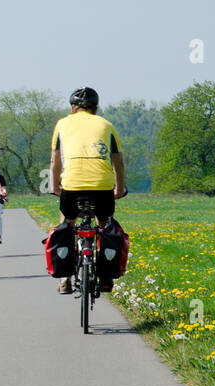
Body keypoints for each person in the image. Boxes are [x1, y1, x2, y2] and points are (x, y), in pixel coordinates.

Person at [49, 87, 127, 293]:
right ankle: (106, 278)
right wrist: (118, 189)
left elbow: (55, 161)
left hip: (72, 186)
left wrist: (54, 186)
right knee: (105, 225)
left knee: (66, 222)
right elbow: (118, 163)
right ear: (96, 108)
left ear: (72, 108)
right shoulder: (107, 125)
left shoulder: (62, 124)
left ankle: (65, 279)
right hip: (102, 186)